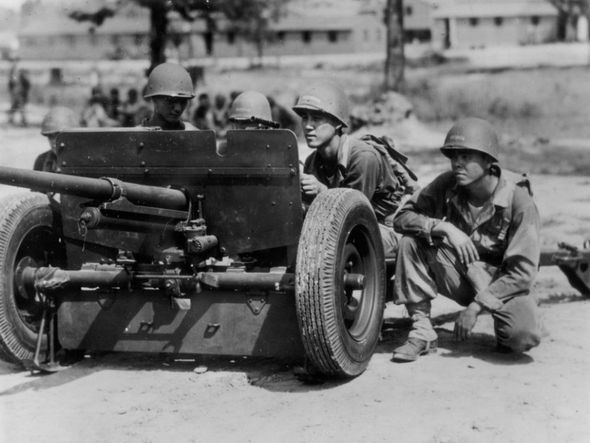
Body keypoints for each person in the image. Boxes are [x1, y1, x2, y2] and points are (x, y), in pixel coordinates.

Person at [391, 117, 542, 362]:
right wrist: (444, 227)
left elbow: (522, 273)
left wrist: (475, 308)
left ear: (488, 161)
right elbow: (403, 218)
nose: (457, 164)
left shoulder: (518, 201)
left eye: (466, 156)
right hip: (461, 274)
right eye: (453, 156)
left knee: (521, 336)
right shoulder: (448, 184)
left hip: (502, 282)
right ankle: (422, 331)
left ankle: (515, 320)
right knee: (411, 241)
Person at [293, 80, 413, 258]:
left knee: (329, 243)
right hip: (354, 227)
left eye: (317, 119)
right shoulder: (313, 160)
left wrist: (320, 191)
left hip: (387, 229)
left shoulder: (362, 157)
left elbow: (352, 213)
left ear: (337, 124)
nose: (308, 126)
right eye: (304, 117)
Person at [141, 62, 197, 130]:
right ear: (154, 98)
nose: (178, 109)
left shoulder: (193, 134)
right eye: (171, 100)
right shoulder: (135, 135)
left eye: (183, 101)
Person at [34, 106, 79, 172]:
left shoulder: (84, 161)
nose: (54, 142)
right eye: (50, 137)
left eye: (58, 136)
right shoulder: (42, 160)